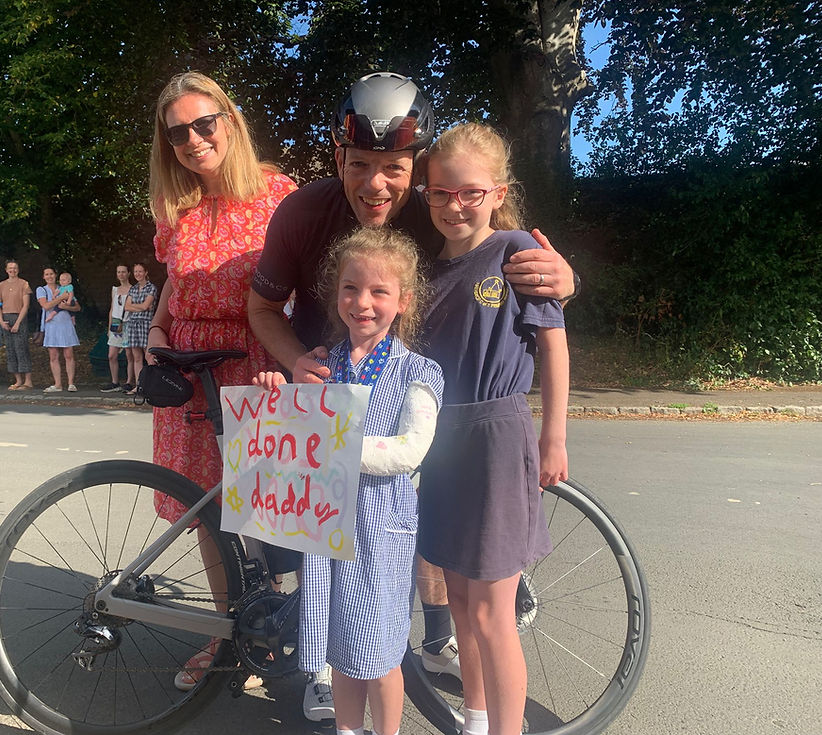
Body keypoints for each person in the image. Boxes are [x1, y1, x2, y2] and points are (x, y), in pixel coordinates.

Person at [247, 71, 577, 718]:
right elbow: (260, 309)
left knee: (402, 531)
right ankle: (321, 656)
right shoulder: (303, 212)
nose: (377, 185)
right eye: (360, 164)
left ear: (417, 167)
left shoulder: (438, 213)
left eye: (395, 168)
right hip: (325, 385)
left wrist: (563, 280)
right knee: (319, 542)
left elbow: (505, 258)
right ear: (339, 156)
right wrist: (296, 361)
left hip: (405, 391)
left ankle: (433, 637)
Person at [253, 228, 444, 735]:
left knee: (379, 654)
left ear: (403, 301)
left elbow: (410, 451)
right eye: (351, 288)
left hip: (379, 534)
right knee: (338, 649)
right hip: (325, 531)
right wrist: (277, 394)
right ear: (335, 294)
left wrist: (334, 444)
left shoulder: (417, 373)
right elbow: (290, 441)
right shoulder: (317, 366)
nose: (363, 302)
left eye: (380, 291)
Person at [143, 70, 298, 691]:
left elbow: (304, 289)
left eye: (204, 123)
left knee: (271, 509)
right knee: (209, 509)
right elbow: (177, 284)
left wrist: (283, 354)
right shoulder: (174, 206)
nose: (192, 139)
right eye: (177, 131)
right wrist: (154, 332)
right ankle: (226, 632)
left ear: (229, 121)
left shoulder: (279, 194)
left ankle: (280, 626)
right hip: (189, 365)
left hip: (258, 364)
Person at [416, 123, 569, 735]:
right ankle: (476, 720)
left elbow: (553, 344)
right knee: (457, 601)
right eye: (442, 193)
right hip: (440, 442)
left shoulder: (515, 252)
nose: (456, 205)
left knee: (491, 613)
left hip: (498, 438)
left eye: (471, 193)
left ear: (497, 192)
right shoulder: (425, 270)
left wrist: (554, 436)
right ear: (426, 195)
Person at [36, 267, 81, 392]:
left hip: (66, 324)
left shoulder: (65, 286)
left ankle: (71, 383)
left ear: (55, 275)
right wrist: (62, 298)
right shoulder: (42, 290)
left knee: (69, 354)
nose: (49, 276)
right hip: (51, 326)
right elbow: (46, 306)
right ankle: (58, 384)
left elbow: (77, 307)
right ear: (43, 277)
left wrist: (66, 306)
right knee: (53, 356)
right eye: (47, 274)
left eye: (51, 274)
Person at [0, 259, 34, 390]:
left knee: (21, 348)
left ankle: (28, 381)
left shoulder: (24, 284)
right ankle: (18, 380)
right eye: (10, 268)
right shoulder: (1, 285)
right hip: (6, 317)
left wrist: (18, 323)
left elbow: (26, 305)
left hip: (19, 317)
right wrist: (1, 321)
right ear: (6, 270)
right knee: (10, 349)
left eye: (15, 268)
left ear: (18, 269)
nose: (13, 270)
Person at [100, 264, 135, 393]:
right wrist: (110, 327)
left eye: (123, 272)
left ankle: (129, 381)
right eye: (118, 272)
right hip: (115, 322)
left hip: (128, 322)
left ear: (128, 273)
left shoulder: (133, 289)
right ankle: (115, 382)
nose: (121, 274)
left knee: (129, 354)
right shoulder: (115, 289)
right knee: (111, 355)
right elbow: (112, 308)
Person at [123, 262, 157, 394]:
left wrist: (137, 307)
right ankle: (139, 385)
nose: (138, 274)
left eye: (140, 271)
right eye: (136, 271)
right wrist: (141, 306)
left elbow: (145, 306)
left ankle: (152, 384)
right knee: (136, 357)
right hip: (133, 324)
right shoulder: (133, 288)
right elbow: (127, 307)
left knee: (148, 355)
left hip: (146, 323)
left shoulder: (151, 288)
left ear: (146, 272)